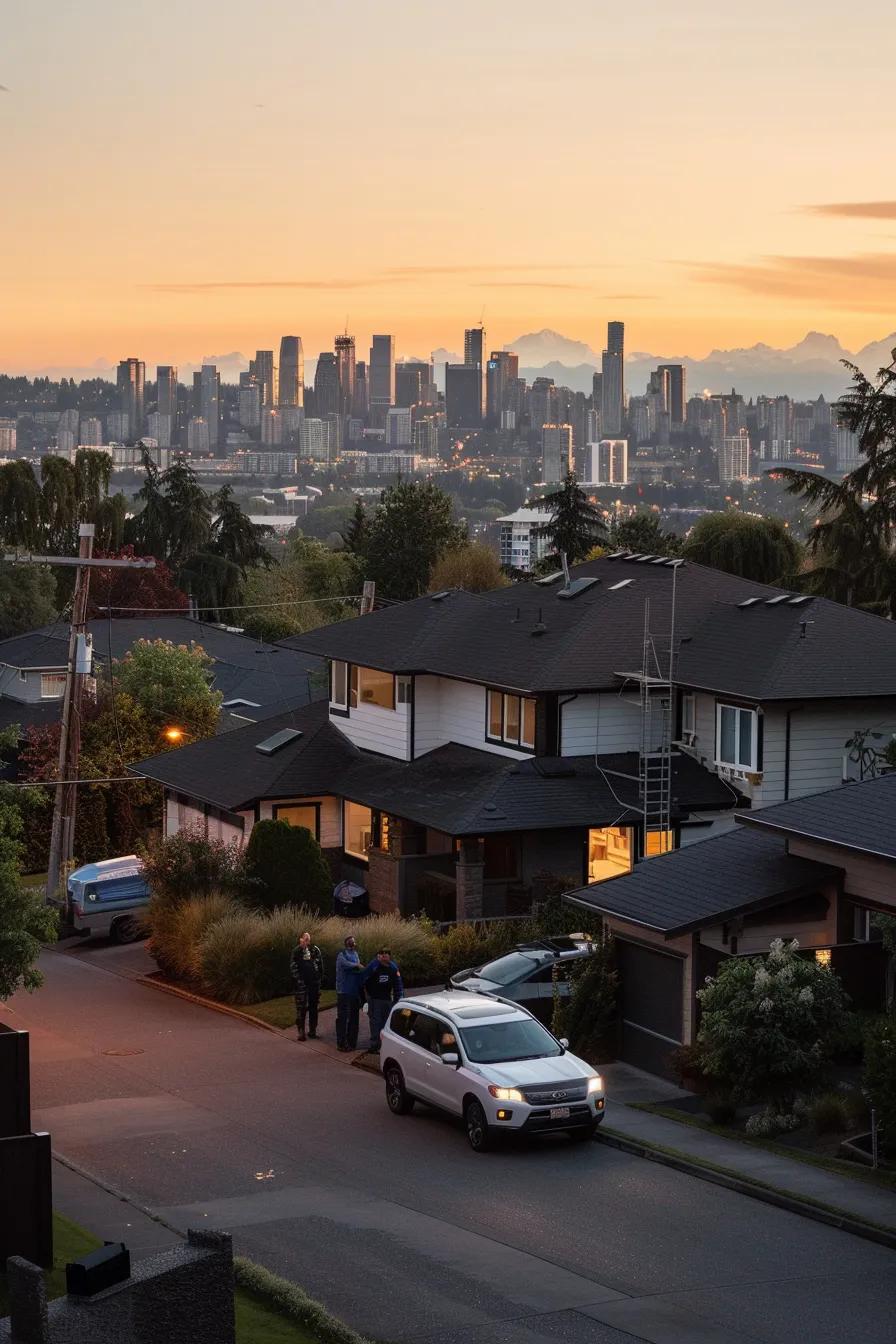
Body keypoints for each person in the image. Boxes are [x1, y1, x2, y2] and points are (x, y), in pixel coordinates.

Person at [362, 947, 403, 1053]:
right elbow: (363, 977)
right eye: (382, 953)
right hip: (374, 1000)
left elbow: (398, 985)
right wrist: (366, 998)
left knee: (386, 1023)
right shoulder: (374, 966)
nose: (384, 955)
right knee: (375, 1023)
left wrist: (399, 999)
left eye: (386, 953)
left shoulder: (393, 968)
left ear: (390, 956)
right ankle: (374, 1045)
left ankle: (384, 1045)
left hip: (387, 1000)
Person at [290, 931, 323, 1042]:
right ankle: (301, 1032)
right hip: (301, 985)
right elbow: (293, 968)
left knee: (314, 1007)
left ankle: (312, 1030)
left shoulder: (315, 950)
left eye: (308, 939)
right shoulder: (297, 951)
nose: (307, 941)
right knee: (301, 1008)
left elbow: (320, 966)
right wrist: (299, 981)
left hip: (313, 983)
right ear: (301, 939)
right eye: (305, 939)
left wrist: (318, 979)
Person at [335, 934, 365, 1052]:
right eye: (351, 942)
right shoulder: (342, 954)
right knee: (343, 1018)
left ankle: (352, 1042)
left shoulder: (355, 954)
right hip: (343, 991)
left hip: (354, 991)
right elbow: (345, 965)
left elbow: (357, 967)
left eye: (354, 942)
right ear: (347, 943)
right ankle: (341, 1043)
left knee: (354, 1018)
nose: (354, 943)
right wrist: (356, 965)